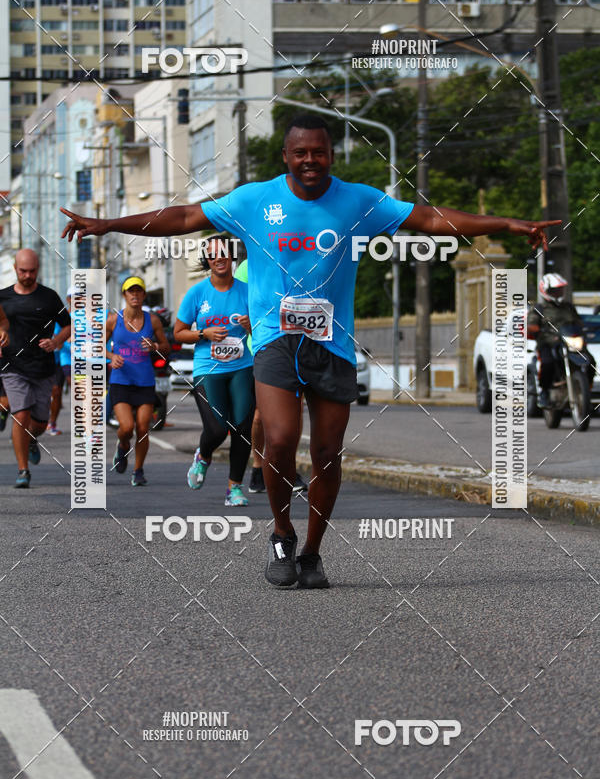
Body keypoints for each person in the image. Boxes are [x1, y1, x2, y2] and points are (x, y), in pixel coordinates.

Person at [61, 114, 558, 588]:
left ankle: (312, 553)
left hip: (332, 344)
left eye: (319, 152)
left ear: (332, 156)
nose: (310, 160)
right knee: (277, 440)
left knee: (325, 453)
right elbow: (187, 215)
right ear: (286, 156)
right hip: (275, 341)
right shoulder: (254, 200)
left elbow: (427, 218)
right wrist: (108, 225)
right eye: (300, 152)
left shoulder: (359, 200)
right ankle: (281, 536)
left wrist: (506, 224)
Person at [173, 237, 254, 506]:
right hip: (208, 368)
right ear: (207, 261)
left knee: (242, 428)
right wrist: (203, 333)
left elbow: (265, 327)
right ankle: (203, 456)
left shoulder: (248, 291)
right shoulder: (197, 293)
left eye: (223, 253)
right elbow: (178, 333)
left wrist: (251, 325)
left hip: (242, 366)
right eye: (212, 255)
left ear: (231, 257)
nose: (219, 258)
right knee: (218, 430)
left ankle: (234, 489)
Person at [234, 256, 307, 495]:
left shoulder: (298, 259)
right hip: (261, 348)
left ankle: (289, 468)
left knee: (293, 412)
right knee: (259, 417)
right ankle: (258, 465)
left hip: (295, 345)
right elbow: (239, 305)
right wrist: (246, 322)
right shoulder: (248, 266)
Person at [0, 249, 70, 488]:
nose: (27, 275)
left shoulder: (49, 297)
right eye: (23, 271)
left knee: (39, 423)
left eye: (32, 271)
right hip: (12, 366)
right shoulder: (3, 297)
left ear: (37, 269)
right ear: (15, 268)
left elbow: (69, 326)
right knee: (20, 415)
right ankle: (23, 471)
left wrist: (57, 341)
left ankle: (32, 439)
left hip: (43, 367)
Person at [106, 276, 170, 486]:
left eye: (138, 291)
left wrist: (155, 347)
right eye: (130, 291)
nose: (135, 294)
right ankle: (123, 446)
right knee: (126, 427)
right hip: (121, 381)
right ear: (124, 295)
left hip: (144, 381)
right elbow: (97, 345)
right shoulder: (114, 319)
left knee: (143, 427)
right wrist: (111, 356)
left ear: (143, 294)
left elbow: (166, 346)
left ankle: (138, 471)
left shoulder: (152, 320)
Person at [528, 273, 584, 408]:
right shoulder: (539, 308)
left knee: (589, 361)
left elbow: (579, 323)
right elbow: (531, 324)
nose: (559, 292)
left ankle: (584, 390)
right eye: (555, 290)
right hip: (548, 343)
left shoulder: (568, 307)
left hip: (569, 342)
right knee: (547, 364)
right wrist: (537, 329)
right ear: (546, 291)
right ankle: (544, 392)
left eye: (560, 289)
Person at [47, 287, 73, 436]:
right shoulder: (61, 317)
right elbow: (58, 341)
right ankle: (51, 423)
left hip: (82, 359)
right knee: (56, 392)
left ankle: (84, 427)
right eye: (72, 297)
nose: (76, 300)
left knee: (79, 391)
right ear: (68, 299)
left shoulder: (89, 318)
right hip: (59, 359)